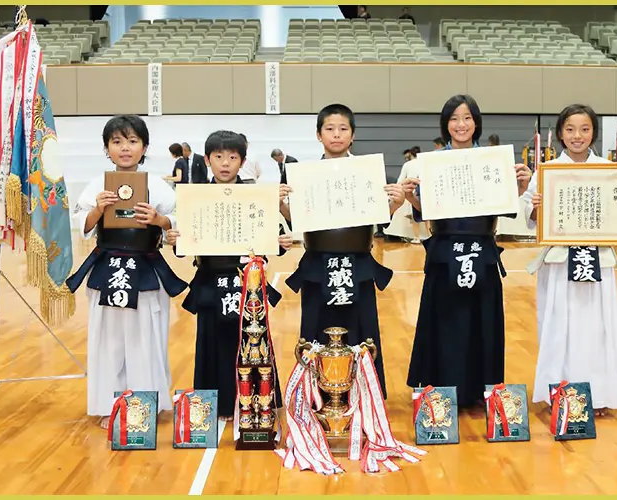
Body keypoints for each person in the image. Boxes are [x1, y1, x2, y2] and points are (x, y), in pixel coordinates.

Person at [521, 103, 617, 417]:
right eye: (570, 129)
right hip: (559, 263)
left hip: (598, 260)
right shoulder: (546, 172)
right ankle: (558, 391)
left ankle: (596, 395)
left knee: (596, 327)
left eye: (584, 129)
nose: (577, 136)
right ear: (559, 134)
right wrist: (536, 207)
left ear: (594, 132)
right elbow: (528, 217)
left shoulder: (610, 170)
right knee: (559, 326)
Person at [402, 94, 532, 409]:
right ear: (446, 125)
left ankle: (481, 388)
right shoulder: (431, 163)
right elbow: (426, 211)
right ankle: (440, 387)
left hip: (482, 249)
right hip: (445, 250)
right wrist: (412, 197)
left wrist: (521, 187)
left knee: (482, 321)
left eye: (467, 118)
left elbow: (505, 204)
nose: (461, 125)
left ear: (476, 123)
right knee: (444, 321)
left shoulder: (491, 162)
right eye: (454, 119)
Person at [66, 115, 188, 429]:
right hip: (108, 269)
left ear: (144, 146)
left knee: (147, 338)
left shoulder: (159, 186)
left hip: (146, 268)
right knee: (109, 340)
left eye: (132, 141)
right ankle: (111, 406)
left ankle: (149, 402)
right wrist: (97, 209)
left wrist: (159, 219)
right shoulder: (96, 185)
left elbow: (177, 221)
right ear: (107, 148)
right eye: (117, 142)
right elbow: (83, 224)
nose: (125, 148)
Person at [168, 130, 294, 419]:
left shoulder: (255, 195)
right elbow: (184, 248)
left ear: (243, 161)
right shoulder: (195, 196)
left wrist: (280, 243)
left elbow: (272, 239)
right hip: (211, 281)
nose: (225, 163)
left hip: (247, 283)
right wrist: (177, 240)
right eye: (218, 157)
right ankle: (216, 405)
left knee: (253, 342)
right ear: (208, 160)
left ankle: (258, 404)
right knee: (211, 342)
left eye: (233, 157)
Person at [284, 103, 405, 397]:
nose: (336, 135)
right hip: (317, 265)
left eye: (343, 129)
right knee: (314, 331)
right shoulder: (305, 176)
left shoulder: (367, 172)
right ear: (318, 135)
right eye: (329, 129)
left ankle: (366, 396)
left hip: (357, 264)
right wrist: (280, 204)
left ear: (352, 136)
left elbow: (379, 216)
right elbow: (295, 219)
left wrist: (396, 203)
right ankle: (315, 395)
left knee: (361, 332)